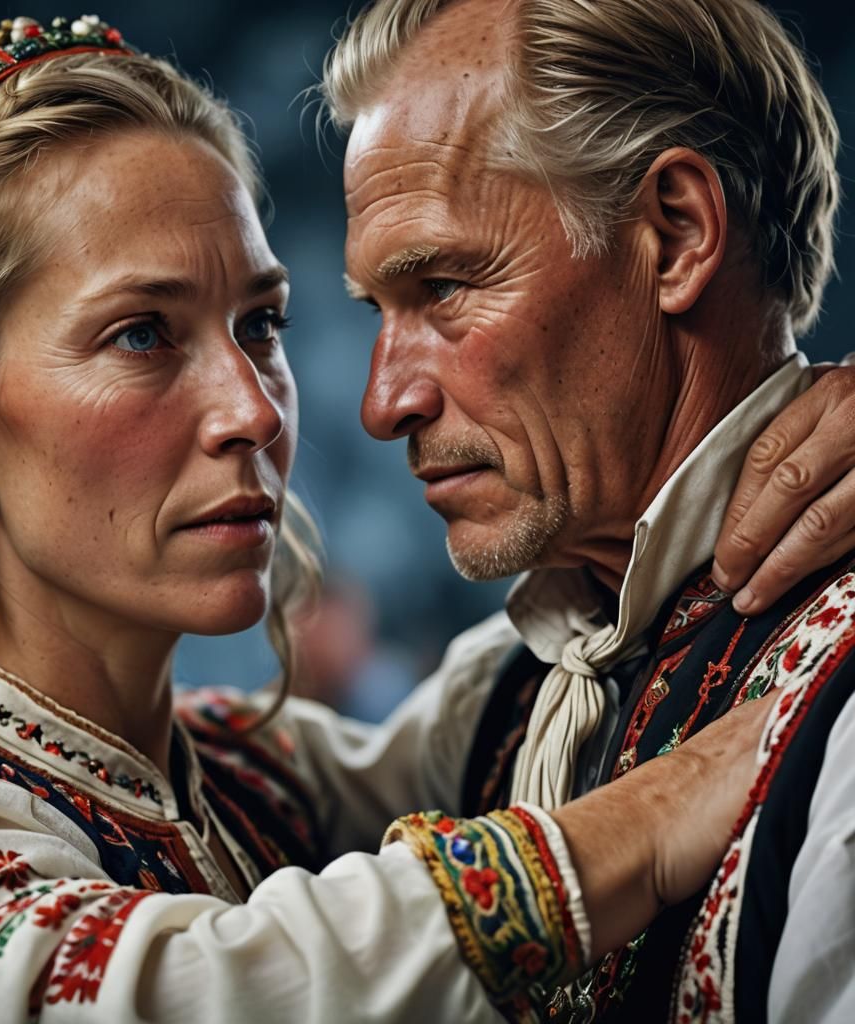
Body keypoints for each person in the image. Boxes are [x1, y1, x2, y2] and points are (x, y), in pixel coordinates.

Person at [0, 16, 802, 1024]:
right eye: (142, 334)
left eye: (259, 324)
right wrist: (641, 824)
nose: (253, 408)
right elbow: (187, 993)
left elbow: (542, 682)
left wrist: (793, 421)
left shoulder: (246, 773)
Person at [322, 0, 855, 1020]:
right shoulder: (506, 688)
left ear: (675, 235)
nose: (384, 402)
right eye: (376, 312)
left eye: (442, 285)